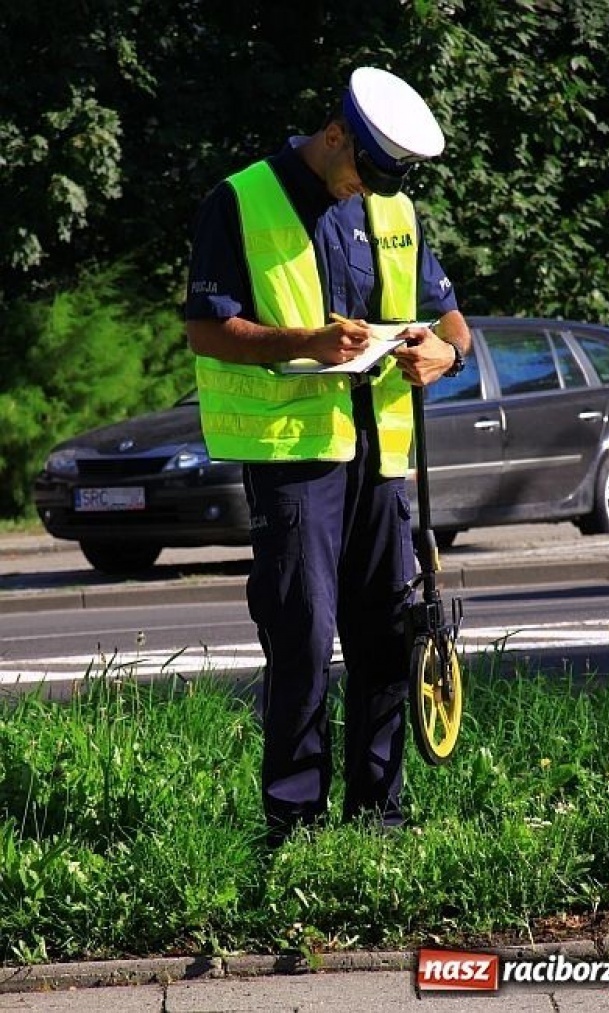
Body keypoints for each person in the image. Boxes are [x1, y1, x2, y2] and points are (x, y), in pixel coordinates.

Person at [186, 66, 472, 847]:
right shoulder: (240, 198)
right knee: (303, 637)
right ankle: (294, 830)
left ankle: (379, 821)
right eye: (362, 172)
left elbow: (454, 328)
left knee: (388, 634)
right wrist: (304, 342)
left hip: (381, 461)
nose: (367, 190)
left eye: (386, 181)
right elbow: (208, 328)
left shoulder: (392, 206)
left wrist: (440, 358)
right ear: (335, 135)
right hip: (294, 460)